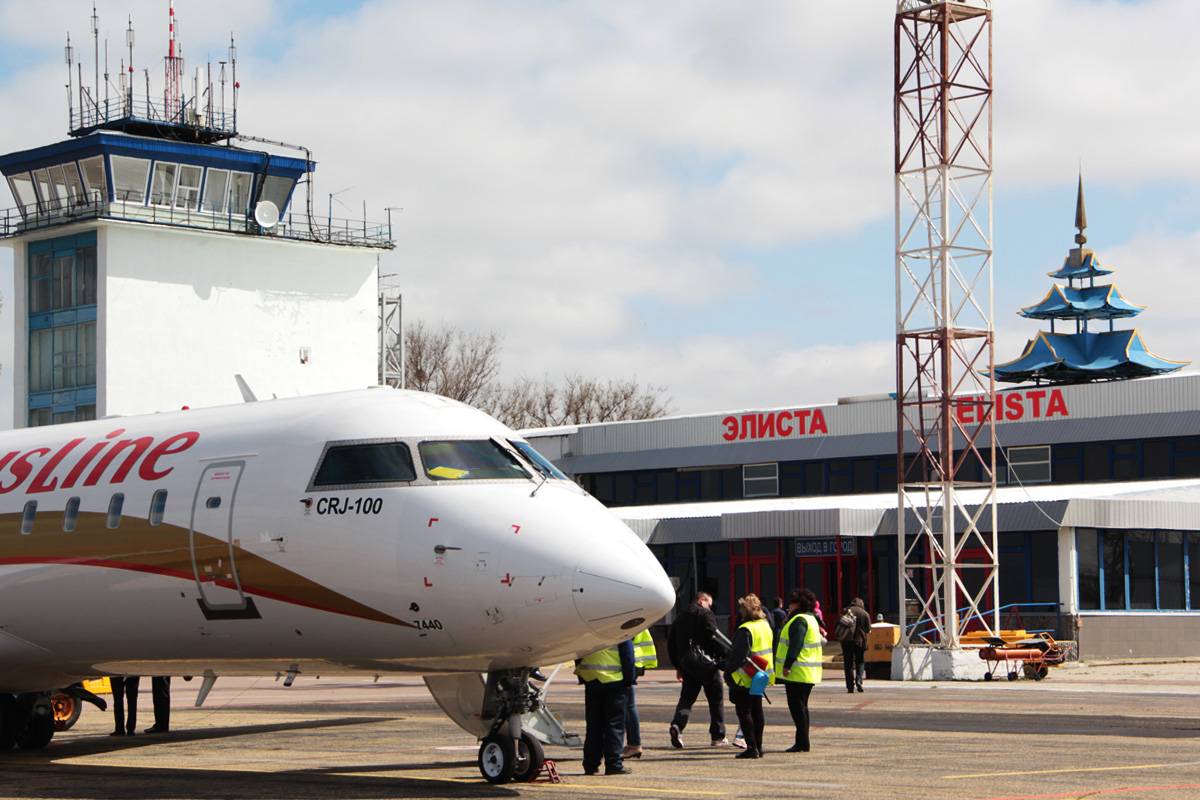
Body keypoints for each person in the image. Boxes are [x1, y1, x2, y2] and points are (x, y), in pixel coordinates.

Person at [666, 591, 731, 748]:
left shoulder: (680, 617)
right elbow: (713, 638)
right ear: (702, 600)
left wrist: (678, 666)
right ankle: (717, 735)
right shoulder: (705, 614)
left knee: (687, 698)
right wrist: (726, 656)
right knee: (715, 698)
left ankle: (677, 725)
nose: (710, 607)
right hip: (706, 662)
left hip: (687, 664)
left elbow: (671, 644)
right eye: (709, 603)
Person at [723, 593, 774, 759]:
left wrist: (727, 671)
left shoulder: (745, 629)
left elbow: (738, 656)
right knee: (757, 710)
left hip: (746, 675)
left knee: (744, 711)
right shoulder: (765, 625)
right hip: (762, 673)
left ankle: (751, 746)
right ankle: (759, 745)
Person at [577, 638, 635, 776]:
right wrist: (629, 679)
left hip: (591, 679)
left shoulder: (587, 629)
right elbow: (627, 656)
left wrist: (583, 676)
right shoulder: (618, 627)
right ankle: (613, 764)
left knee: (593, 725)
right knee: (614, 725)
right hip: (614, 681)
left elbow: (577, 654)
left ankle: (590, 764)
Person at [776, 589, 824, 753]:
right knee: (802, 707)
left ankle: (802, 742)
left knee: (797, 707)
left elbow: (795, 644)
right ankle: (802, 740)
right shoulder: (811, 618)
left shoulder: (799, 620)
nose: (789, 605)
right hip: (807, 671)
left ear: (798, 604)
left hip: (798, 671)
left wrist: (788, 665)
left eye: (792, 602)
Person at [623, 629, 657, 759]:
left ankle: (634, 744)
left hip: (630, 661)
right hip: (636, 661)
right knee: (629, 705)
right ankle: (633, 744)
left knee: (628, 706)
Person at [837, 598, 872, 694]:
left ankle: (850, 687)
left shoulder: (846, 611)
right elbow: (868, 629)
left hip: (846, 641)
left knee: (848, 664)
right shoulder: (864, 613)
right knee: (860, 662)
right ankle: (859, 681)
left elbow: (839, 624)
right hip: (860, 641)